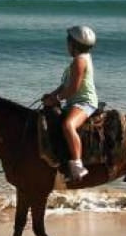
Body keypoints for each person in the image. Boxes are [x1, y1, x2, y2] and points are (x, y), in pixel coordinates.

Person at [42, 25, 99, 182]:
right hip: (74, 101)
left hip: (85, 102)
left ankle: (77, 165)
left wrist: (57, 99)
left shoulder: (79, 62)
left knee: (68, 125)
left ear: (73, 44)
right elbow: (65, 85)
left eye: (68, 42)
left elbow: (74, 88)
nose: (66, 45)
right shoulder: (77, 61)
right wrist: (52, 95)